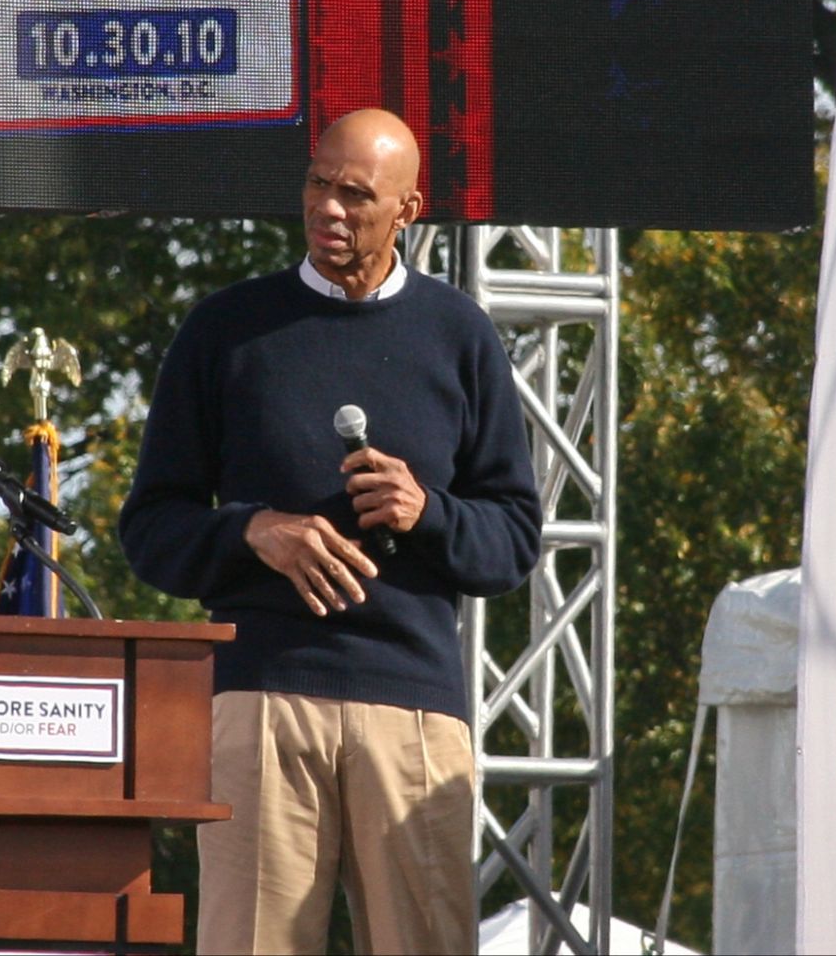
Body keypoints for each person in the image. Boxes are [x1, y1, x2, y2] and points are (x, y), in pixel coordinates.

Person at [118, 108, 542, 953]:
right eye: (317, 183)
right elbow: (152, 528)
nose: (328, 209)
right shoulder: (225, 329)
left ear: (407, 210)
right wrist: (252, 533)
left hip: (413, 713)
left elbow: (514, 540)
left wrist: (430, 511)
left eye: (356, 194)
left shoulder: (459, 333)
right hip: (261, 697)